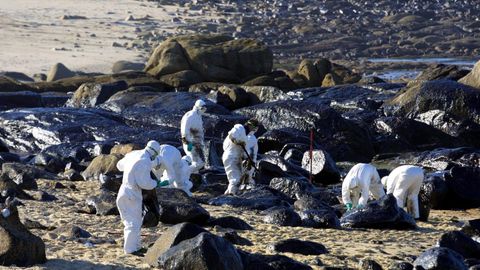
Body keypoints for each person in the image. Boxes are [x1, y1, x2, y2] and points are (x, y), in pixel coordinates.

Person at [116, 140, 167, 256]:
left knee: (134, 221)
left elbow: (119, 166)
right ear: (154, 153)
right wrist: (156, 183)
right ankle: (130, 250)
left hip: (123, 190)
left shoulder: (134, 154)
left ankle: (136, 246)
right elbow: (144, 183)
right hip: (132, 194)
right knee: (133, 223)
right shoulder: (144, 161)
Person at [180, 99, 207, 173]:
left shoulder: (198, 116)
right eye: (202, 109)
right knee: (198, 163)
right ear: (198, 107)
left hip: (197, 143)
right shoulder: (190, 116)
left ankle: (193, 179)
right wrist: (188, 143)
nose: (204, 111)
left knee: (198, 164)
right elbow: (184, 130)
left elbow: (199, 130)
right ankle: (183, 173)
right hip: (190, 143)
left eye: (205, 109)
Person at [222, 124, 248, 195]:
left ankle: (226, 195)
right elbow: (233, 135)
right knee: (235, 179)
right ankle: (231, 197)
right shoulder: (240, 128)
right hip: (231, 158)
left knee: (236, 179)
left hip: (233, 158)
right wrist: (238, 142)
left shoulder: (244, 135)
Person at [241, 119, 259, 190]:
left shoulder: (252, 137)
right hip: (246, 159)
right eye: (255, 127)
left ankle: (245, 184)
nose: (256, 129)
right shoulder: (250, 138)